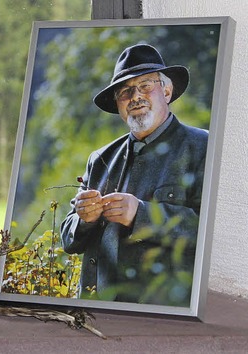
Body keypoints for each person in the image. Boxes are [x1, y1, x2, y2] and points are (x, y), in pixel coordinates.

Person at [60, 44, 208, 306]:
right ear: (118, 105)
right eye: (125, 92)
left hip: (163, 313)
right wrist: (84, 220)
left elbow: (213, 235)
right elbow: (69, 240)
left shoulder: (204, 147)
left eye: (145, 86)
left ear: (167, 90)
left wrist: (141, 215)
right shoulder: (100, 158)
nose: (135, 96)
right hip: (98, 309)